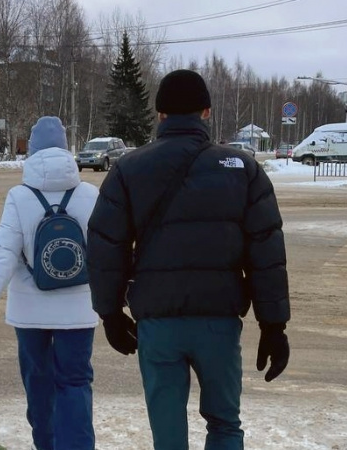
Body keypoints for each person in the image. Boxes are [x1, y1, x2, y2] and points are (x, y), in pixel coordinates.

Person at [86, 69, 291, 450]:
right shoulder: (243, 170)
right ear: (207, 112)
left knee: (168, 436)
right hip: (219, 322)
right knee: (225, 425)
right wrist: (273, 325)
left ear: (160, 115)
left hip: (158, 324)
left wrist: (110, 314)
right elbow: (266, 250)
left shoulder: (129, 169)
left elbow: (104, 244)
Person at [0, 116, 99, 450]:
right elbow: (106, 252)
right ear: (65, 147)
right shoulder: (89, 194)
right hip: (78, 309)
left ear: (33, 149)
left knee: (38, 384)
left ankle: (46, 444)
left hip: (29, 311)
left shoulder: (19, 196)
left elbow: (4, 253)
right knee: (75, 383)